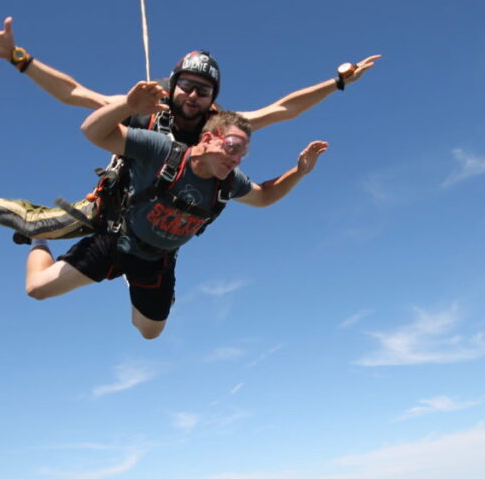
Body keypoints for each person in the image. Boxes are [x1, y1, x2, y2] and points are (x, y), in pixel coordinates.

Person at [0, 17, 377, 241]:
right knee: (38, 226)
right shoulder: (148, 105)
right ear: (174, 83)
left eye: (204, 92)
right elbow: (74, 94)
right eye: (186, 87)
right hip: (118, 201)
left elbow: (283, 109)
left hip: (155, 220)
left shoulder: (217, 126)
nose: (193, 98)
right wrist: (18, 58)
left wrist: (337, 82)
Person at [17, 80, 327, 339]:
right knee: (37, 288)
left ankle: (134, 283)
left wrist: (298, 172)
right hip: (116, 239)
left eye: (242, 154)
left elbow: (265, 196)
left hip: (155, 259)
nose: (236, 159)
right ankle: (38, 240)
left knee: (149, 332)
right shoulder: (160, 148)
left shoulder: (227, 181)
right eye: (232, 149)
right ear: (208, 138)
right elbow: (89, 121)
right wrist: (128, 105)